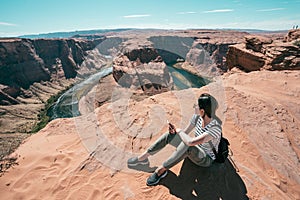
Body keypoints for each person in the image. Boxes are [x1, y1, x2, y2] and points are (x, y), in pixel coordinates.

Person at [127, 93, 222, 186]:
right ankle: (143, 158)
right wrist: (175, 133)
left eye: (196, 105)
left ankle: (161, 171)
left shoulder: (214, 128)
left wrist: (179, 131)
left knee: (187, 145)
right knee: (170, 135)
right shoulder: (197, 117)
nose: (194, 107)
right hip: (194, 148)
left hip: (205, 158)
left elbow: (190, 142)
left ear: (202, 110)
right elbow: (185, 133)